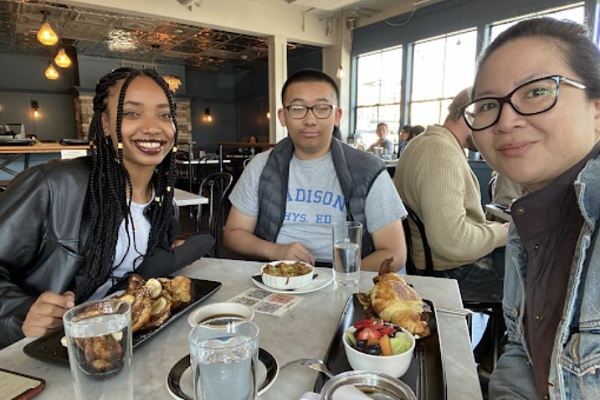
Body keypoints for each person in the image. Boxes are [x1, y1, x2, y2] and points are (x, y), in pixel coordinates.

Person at [0, 67, 213, 349]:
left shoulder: (166, 208)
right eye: (131, 113)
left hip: (121, 348)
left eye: (164, 114)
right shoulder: (54, 187)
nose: (152, 127)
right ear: (104, 122)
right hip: (49, 352)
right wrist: (22, 314)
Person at [463, 17, 600, 399]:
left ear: (597, 109)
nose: (507, 120)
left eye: (537, 92)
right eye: (489, 104)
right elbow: (522, 355)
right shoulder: (528, 220)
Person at [223, 69, 407, 272]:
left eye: (321, 108)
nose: (310, 119)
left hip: (347, 279)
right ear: (283, 117)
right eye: (297, 108)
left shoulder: (368, 170)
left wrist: (339, 279)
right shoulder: (262, 165)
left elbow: (394, 252)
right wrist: (275, 251)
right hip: (278, 273)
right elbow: (233, 233)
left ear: (336, 116)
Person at [394, 88, 508, 298]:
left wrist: (490, 226)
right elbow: (451, 242)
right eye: (492, 123)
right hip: (451, 272)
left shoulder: (420, 142)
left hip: (433, 264)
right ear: (470, 116)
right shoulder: (441, 154)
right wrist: (505, 232)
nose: (495, 133)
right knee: (524, 289)